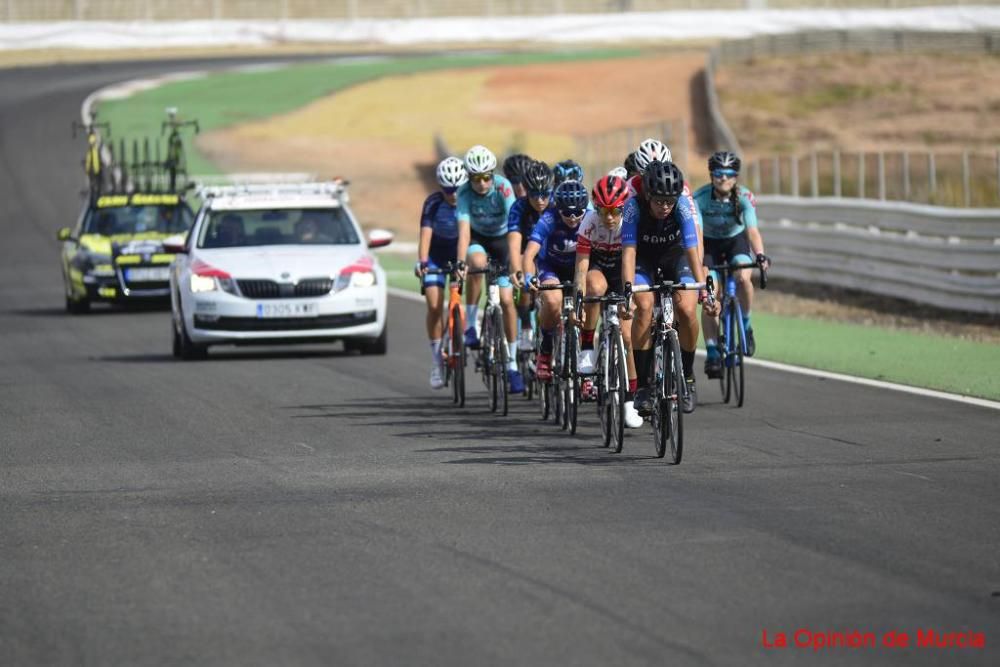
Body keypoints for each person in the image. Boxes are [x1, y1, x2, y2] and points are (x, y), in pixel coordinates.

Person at [621, 160, 718, 415]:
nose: (665, 207)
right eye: (659, 201)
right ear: (648, 195)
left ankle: (686, 376)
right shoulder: (633, 207)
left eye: (670, 201)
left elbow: (691, 250)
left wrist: (704, 292)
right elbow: (629, 254)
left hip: (676, 257)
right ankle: (643, 385)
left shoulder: (682, 206)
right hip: (643, 259)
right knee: (643, 306)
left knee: (686, 309)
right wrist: (627, 290)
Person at [454, 144, 524, 394]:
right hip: (479, 239)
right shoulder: (463, 194)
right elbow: (463, 233)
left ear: (492, 175)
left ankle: (513, 363)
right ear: (469, 177)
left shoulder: (503, 187)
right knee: (477, 265)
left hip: (504, 240)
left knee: (506, 301)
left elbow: (515, 225)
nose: (482, 183)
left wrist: (515, 264)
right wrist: (461, 263)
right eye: (476, 178)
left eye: (486, 177)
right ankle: (471, 324)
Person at [693, 150, 770, 377]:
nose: (723, 178)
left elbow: (752, 230)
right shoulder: (700, 198)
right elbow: (696, 232)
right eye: (718, 173)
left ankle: (745, 324)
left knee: (743, 277)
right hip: (708, 245)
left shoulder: (745, 197)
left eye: (728, 174)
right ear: (711, 175)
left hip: (735, 242)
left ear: (735, 176)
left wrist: (760, 255)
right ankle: (713, 351)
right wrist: (698, 263)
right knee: (710, 292)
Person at [574, 174, 642, 428]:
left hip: (623, 270)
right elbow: (581, 267)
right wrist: (579, 300)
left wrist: (629, 295)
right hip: (598, 268)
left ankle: (630, 400)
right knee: (594, 285)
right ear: (596, 208)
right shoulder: (589, 223)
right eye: (604, 211)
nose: (610, 217)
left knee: (628, 337)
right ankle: (588, 346)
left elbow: (632, 263)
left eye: (615, 211)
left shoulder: (631, 223)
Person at [519, 179, 588, 383]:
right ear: (558, 209)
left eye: (578, 212)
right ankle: (546, 352)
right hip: (552, 267)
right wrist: (528, 276)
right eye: (567, 213)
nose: (573, 218)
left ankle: (588, 363)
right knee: (552, 301)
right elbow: (530, 252)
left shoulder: (591, 218)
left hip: (579, 268)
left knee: (589, 305)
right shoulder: (548, 218)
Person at [416, 156, 467, 389]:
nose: (453, 194)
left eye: (457, 189)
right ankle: (437, 361)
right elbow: (425, 234)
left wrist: (465, 262)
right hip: (436, 256)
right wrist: (423, 261)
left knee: (456, 301)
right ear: (441, 187)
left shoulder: (469, 202)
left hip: (458, 256)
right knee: (434, 306)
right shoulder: (433, 203)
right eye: (448, 190)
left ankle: (459, 332)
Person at [506, 160, 554, 351]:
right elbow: (514, 242)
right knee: (525, 279)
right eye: (534, 194)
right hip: (528, 253)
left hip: (552, 253)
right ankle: (526, 325)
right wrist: (517, 271)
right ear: (527, 191)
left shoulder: (557, 205)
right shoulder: (519, 207)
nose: (540, 200)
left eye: (545, 194)